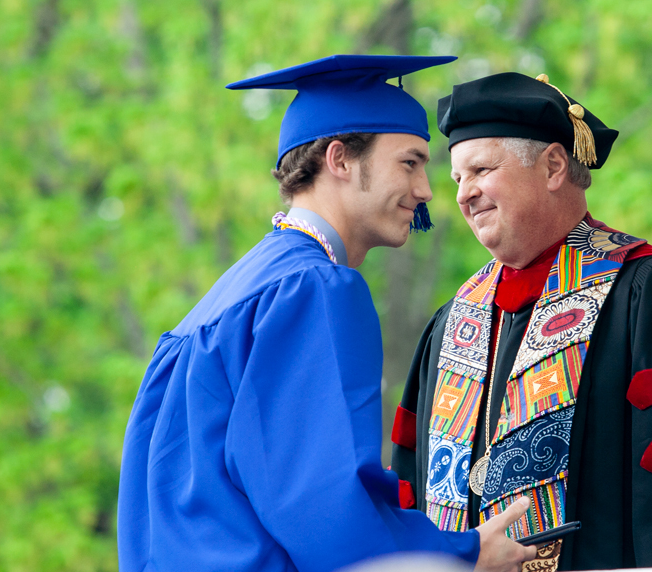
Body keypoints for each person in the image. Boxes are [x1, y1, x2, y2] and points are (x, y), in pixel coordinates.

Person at [117, 55, 537, 572]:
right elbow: (323, 505)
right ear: (339, 159)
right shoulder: (313, 288)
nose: (427, 190)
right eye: (409, 162)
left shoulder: (229, 295)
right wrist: (464, 555)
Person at [390, 72, 652, 570]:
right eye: (457, 179)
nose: (464, 195)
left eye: (481, 169)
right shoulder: (454, 321)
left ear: (553, 166)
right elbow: (410, 491)